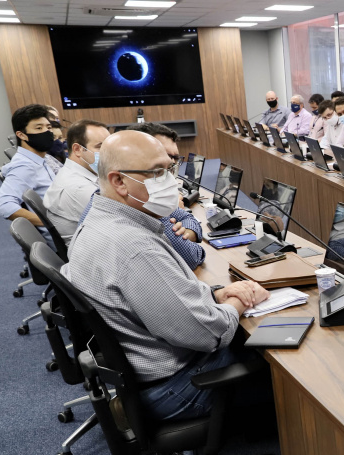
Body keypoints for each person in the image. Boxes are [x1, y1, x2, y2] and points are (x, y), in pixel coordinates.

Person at [61, 130, 271, 421]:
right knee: (287, 365)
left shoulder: (101, 219)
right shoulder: (133, 248)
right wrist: (239, 301)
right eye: (157, 172)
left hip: (144, 371)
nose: (170, 181)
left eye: (169, 169)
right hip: (178, 387)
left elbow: (158, 299)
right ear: (119, 181)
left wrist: (214, 294)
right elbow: (208, 333)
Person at [77, 122, 206, 270]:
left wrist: (188, 233)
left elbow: (187, 218)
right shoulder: (143, 205)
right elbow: (192, 255)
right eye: (157, 170)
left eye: (172, 164)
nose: (169, 177)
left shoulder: (105, 197)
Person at [0, 104, 59, 244]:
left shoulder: (42, 158)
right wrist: (52, 224)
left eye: (48, 127)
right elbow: (4, 207)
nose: (47, 132)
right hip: (66, 239)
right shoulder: (24, 166)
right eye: (39, 128)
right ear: (21, 135)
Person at [44, 119, 111, 244]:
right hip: (94, 253)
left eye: (109, 146)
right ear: (77, 149)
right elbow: (120, 225)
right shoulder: (80, 189)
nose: (109, 153)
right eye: (100, 146)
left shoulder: (75, 173)